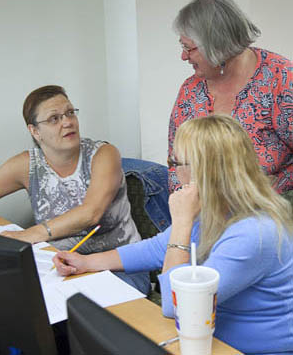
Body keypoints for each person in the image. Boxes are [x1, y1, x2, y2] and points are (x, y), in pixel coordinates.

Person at [53, 115, 293, 355]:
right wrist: (86, 262)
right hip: (211, 340)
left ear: (202, 170)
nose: (175, 171)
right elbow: (156, 248)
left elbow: (176, 306)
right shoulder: (221, 208)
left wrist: (181, 222)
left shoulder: (254, 233)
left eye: (175, 161)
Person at [0, 85, 150, 294]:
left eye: (70, 113)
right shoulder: (27, 165)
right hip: (58, 266)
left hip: (118, 267)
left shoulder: (104, 154)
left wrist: (29, 234)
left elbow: (91, 213)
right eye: (54, 118)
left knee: (78, 317)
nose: (67, 122)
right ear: (34, 131)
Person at [168, 0, 293, 201]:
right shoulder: (191, 91)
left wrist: (269, 190)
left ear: (216, 44)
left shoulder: (280, 80)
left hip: (272, 207)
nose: (183, 56)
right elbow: (175, 164)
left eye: (188, 48)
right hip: (206, 211)